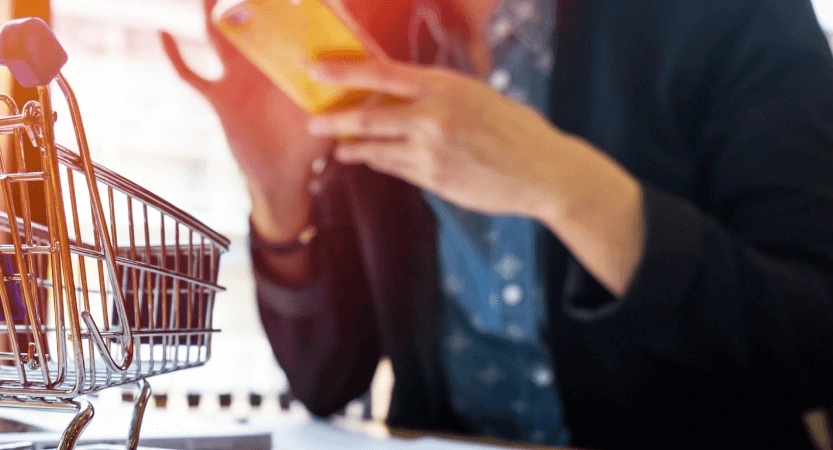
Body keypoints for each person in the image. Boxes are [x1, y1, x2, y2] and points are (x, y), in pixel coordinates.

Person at [160, 0, 833, 447]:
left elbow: (812, 338)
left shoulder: (730, 15)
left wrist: (568, 187)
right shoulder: (376, 39)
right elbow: (327, 381)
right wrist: (279, 191)